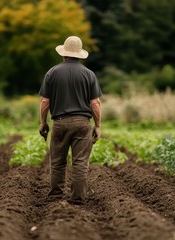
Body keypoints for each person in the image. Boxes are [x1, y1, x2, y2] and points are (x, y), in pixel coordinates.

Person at [38, 36, 102, 205]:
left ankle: (55, 196)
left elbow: (45, 102)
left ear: (63, 54)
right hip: (82, 124)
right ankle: (78, 198)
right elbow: (95, 103)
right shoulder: (89, 74)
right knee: (80, 162)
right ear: (80, 55)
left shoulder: (52, 72)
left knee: (58, 162)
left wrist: (43, 122)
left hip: (59, 122)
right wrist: (98, 125)